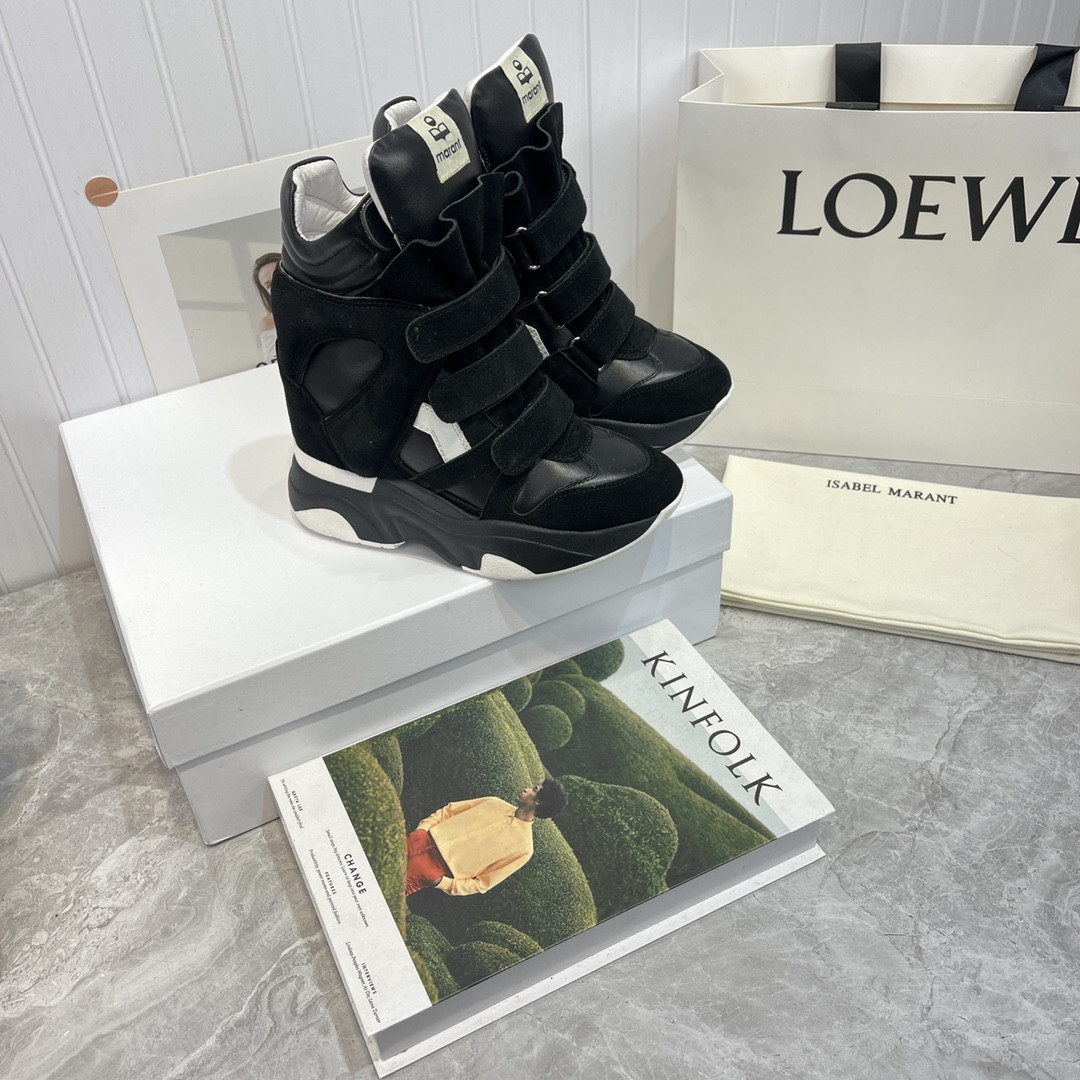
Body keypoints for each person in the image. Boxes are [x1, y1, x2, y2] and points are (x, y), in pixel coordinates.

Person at [405, 780, 568, 897]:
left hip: (434, 869)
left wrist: (441, 882)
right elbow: (449, 811)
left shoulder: (524, 848)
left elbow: (483, 883)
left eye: (534, 789)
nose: (526, 788)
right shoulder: (493, 802)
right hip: (420, 840)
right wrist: (422, 830)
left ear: (538, 802)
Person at [252, 252, 281, 365]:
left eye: (279, 277)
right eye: (269, 285)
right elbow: (272, 365)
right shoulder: (268, 323)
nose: (276, 286)